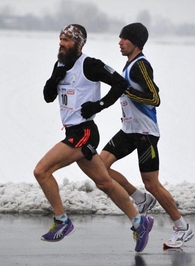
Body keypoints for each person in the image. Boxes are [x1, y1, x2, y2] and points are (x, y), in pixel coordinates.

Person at [33, 24, 153, 252]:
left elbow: (121, 83)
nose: (61, 44)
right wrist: (54, 79)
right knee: (104, 182)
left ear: (78, 44)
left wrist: (99, 105)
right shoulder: (60, 64)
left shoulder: (90, 64)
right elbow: (49, 97)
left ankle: (62, 221)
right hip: (72, 132)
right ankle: (140, 221)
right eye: (60, 39)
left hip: (84, 132)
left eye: (66, 40)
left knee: (41, 171)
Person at [99, 22, 194, 249]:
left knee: (152, 184)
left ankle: (182, 227)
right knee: (100, 167)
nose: (120, 42)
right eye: (120, 38)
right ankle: (140, 199)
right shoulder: (128, 65)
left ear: (136, 42)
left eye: (125, 39)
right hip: (128, 130)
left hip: (145, 134)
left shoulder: (140, 65)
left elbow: (154, 98)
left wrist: (127, 90)